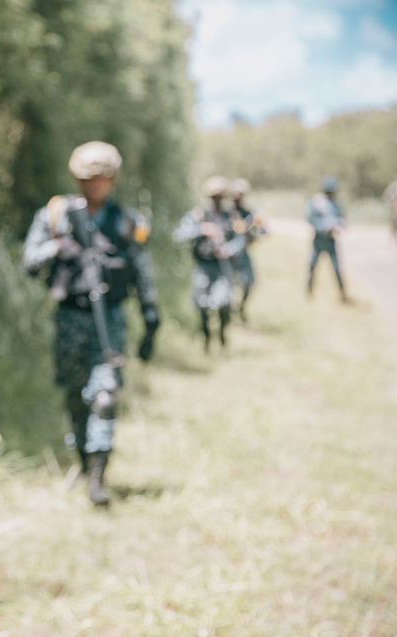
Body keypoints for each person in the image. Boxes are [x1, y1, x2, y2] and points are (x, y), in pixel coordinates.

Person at [22, 141, 160, 507]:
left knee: (105, 395)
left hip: (110, 320)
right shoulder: (56, 216)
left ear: (112, 179)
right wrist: (59, 248)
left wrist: (151, 317)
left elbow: (142, 270)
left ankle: (97, 481)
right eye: (87, 179)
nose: (94, 185)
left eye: (101, 178)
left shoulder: (127, 221)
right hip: (70, 318)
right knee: (76, 396)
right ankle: (85, 463)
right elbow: (30, 260)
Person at [173, 175, 246, 352]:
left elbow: (240, 240)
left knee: (225, 302)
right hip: (203, 267)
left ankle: (222, 333)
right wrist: (202, 230)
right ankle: (206, 337)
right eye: (214, 196)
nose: (218, 200)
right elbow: (179, 234)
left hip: (223, 267)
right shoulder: (198, 216)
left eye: (221, 196)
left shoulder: (232, 217)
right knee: (202, 304)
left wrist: (229, 249)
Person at [227, 178, 267, 322]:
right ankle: (228, 312)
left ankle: (241, 307)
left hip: (243, 255)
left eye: (240, 195)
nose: (237, 198)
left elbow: (263, 231)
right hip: (228, 256)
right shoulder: (227, 213)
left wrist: (254, 231)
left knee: (249, 283)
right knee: (228, 286)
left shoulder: (249, 214)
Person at [306, 175, 348, 302]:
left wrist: (339, 226)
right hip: (318, 240)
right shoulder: (317, 202)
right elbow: (311, 218)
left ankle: (342, 294)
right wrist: (323, 228)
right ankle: (309, 290)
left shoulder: (336, 204)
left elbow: (342, 219)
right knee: (312, 266)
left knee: (336, 268)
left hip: (331, 241)